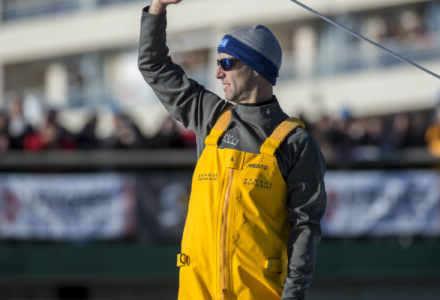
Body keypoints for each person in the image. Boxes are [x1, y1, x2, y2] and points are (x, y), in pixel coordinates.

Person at [138, 1, 327, 299]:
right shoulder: (209, 115)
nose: (217, 74)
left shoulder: (296, 143)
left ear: (256, 69)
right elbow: (154, 66)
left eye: (227, 63)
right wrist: (158, 7)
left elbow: (305, 230)